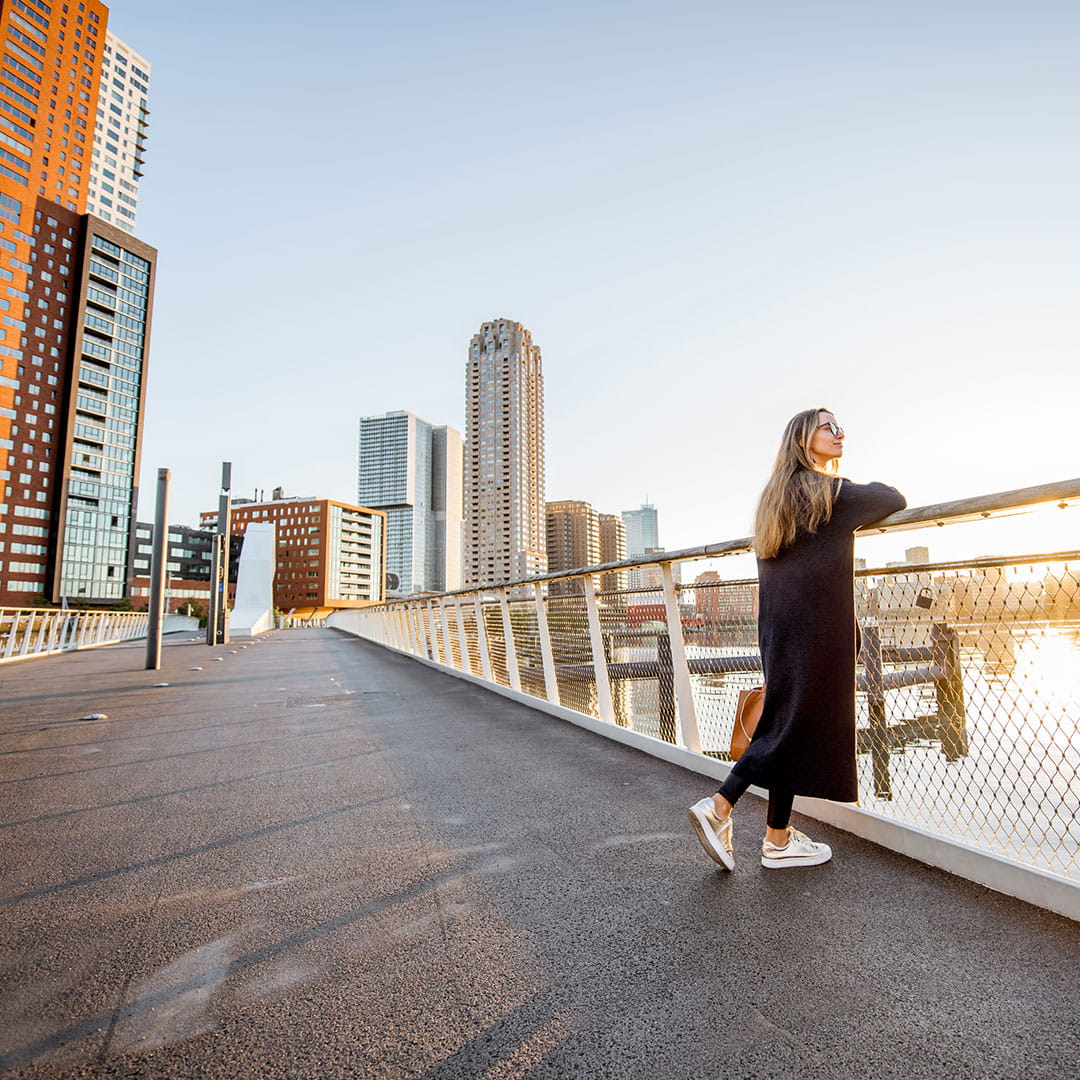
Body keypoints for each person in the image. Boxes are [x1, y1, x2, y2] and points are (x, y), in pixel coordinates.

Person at [689, 408, 906, 870]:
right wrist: (841, 482)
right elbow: (893, 497)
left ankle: (778, 840)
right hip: (817, 627)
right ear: (803, 439)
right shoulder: (829, 491)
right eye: (829, 427)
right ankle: (719, 805)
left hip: (778, 626)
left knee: (790, 719)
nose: (840, 432)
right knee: (787, 725)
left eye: (840, 426)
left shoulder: (775, 498)